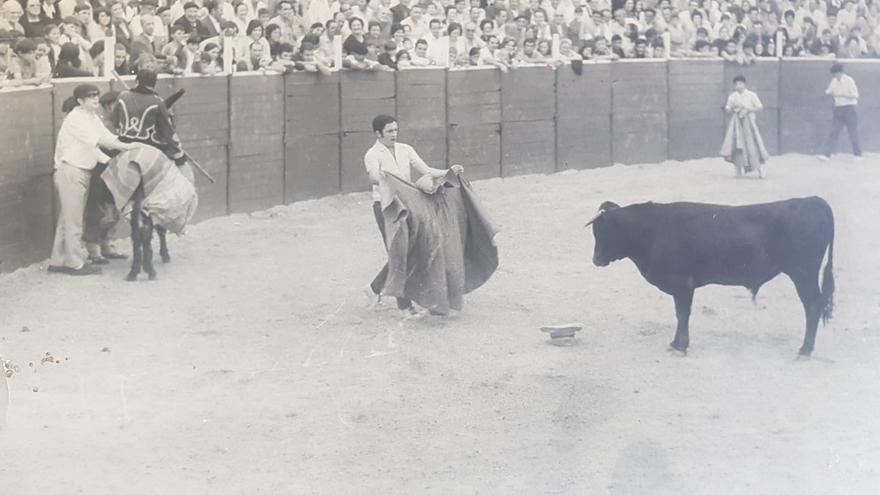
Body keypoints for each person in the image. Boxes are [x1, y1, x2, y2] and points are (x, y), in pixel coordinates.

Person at [363, 115, 463, 316]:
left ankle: (374, 289)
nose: (394, 134)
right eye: (390, 131)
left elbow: (426, 171)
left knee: (410, 249)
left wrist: (448, 171)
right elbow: (372, 175)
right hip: (386, 206)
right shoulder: (372, 154)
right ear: (378, 133)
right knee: (398, 251)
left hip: (409, 203)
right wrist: (382, 177)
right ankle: (404, 306)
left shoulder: (405, 149)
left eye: (396, 130)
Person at [49, 84, 137, 275]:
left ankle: (57, 261)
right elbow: (99, 141)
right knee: (74, 220)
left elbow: (107, 137)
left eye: (96, 95)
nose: (96, 99)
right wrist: (126, 148)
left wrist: (120, 150)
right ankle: (74, 264)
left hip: (80, 171)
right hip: (71, 171)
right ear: (80, 101)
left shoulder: (91, 117)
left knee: (67, 219)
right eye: (90, 97)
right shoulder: (75, 119)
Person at [83, 91, 129, 264]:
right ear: (109, 106)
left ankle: (107, 245)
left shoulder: (120, 123)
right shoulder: (103, 124)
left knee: (114, 211)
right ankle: (94, 249)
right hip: (100, 172)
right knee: (99, 211)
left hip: (116, 170)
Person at [113, 68, 186, 165]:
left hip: (123, 145)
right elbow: (168, 132)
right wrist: (179, 155)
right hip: (149, 147)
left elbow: (115, 122)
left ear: (137, 81)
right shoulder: (158, 102)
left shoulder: (122, 96)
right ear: (154, 84)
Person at [720, 75, 769, 178]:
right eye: (736, 84)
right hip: (737, 125)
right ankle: (738, 170)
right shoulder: (732, 96)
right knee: (737, 146)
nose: (738, 86)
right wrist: (729, 109)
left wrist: (748, 109)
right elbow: (728, 107)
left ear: (744, 84)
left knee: (753, 146)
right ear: (734, 86)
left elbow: (760, 107)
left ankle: (760, 170)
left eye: (740, 83)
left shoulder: (751, 95)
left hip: (750, 125)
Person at [819, 62, 861, 161]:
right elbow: (828, 91)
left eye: (836, 74)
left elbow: (855, 95)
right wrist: (827, 93)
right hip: (838, 109)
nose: (835, 76)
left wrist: (842, 94)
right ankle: (826, 155)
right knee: (834, 132)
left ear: (840, 72)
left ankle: (858, 155)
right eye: (834, 74)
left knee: (852, 132)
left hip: (849, 108)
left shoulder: (849, 80)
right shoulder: (834, 81)